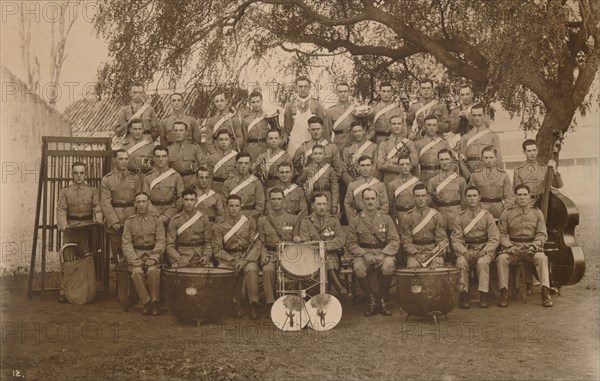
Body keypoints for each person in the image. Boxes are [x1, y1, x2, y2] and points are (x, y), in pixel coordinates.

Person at [496, 184, 553, 308]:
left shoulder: (537, 213)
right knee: (501, 259)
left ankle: (545, 292)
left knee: (542, 258)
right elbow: (502, 234)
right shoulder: (507, 213)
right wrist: (509, 246)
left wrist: (534, 245)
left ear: (529, 196)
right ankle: (504, 293)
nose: (522, 197)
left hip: (532, 248)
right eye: (519, 195)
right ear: (515, 197)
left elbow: (542, 234)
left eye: (525, 194)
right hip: (513, 248)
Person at [346, 188, 400, 316]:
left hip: (383, 253)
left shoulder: (386, 219)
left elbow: (394, 241)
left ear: (377, 201)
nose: (370, 202)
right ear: (362, 201)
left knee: (388, 265)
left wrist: (382, 254)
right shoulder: (355, 220)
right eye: (367, 199)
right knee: (358, 267)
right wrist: (364, 254)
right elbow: (350, 244)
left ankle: (382, 300)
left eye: (372, 199)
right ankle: (371, 301)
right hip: (363, 254)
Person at [57, 162, 102, 303]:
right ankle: (65, 291)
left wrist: (98, 219)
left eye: (81, 173)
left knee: (88, 258)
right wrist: (64, 225)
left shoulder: (92, 191)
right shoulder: (65, 191)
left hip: (87, 227)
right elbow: (61, 209)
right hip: (71, 227)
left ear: (85, 174)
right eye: (76, 173)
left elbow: (97, 207)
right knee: (68, 258)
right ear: (72, 174)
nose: (78, 176)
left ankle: (88, 291)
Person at [213, 194, 262, 319]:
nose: (234, 209)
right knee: (223, 270)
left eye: (236, 206)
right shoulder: (220, 225)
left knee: (252, 269)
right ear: (226, 207)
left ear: (241, 206)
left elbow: (256, 245)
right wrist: (232, 260)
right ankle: (233, 303)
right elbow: (217, 249)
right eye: (231, 206)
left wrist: (245, 261)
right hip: (228, 257)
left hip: (247, 256)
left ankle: (253, 304)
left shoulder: (249, 222)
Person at [451, 186, 500, 309]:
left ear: (479, 198)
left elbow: (494, 238)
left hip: (484, 249)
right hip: (467, 248)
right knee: (461, 262)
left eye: (474, 196)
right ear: (465, 199)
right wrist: (464, 251)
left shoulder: (487, 216)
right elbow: (456, 240)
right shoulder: (460, 217)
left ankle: (483, 295)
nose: (472, 198)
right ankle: (464, 294)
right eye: (469, 196)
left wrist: (485, 250)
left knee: (483, 263)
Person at [298, 192, 350, 299]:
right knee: (325, 262)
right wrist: (321, 249)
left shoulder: (333, 220)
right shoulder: (306, 222)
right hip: (312, 257)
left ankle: (327, 295)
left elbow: (340, 240)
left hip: (332, 255)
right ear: (312, 205)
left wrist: (324, 247)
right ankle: (340, 290)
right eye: (319, 204)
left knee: (326, 261)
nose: (322, 207)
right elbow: (306, 243)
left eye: (324, 204)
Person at [122, 192, 165, 316]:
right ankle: (146, 302)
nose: (141, 205)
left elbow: (161, 241)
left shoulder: (157, 220)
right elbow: (126, 243)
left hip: (152, 253)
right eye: (138, 202)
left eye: (144, 201)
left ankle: (155, 302)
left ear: (148, 203)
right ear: (135, 204)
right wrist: (133, 259)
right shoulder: (129, 222)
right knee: (136, 272)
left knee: (153, 271)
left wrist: (154, 257)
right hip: (136, 254)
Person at [257, 188, 299, 311]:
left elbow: (296, 240)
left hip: (288, 254)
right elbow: (261, 242)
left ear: (284, 200)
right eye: (273, 199)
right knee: (268, 270)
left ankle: (290, 301)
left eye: (279, 199)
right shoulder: (263, 220)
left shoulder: (293, 218)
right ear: (269, 201)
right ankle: (271, 304)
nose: (276, 202)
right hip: (270, 254)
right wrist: (263, 256)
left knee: (292, 271)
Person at [100, 150, 143, 263]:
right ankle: (117, 279)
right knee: (117, 254)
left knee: (133, 251)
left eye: (126, 159)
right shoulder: (107, 179)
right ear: (114, 160)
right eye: (120, 159)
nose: (124, 162)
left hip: (132, 218)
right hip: (115, 221)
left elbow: (139, 200)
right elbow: (105, 202)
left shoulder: (135, 178)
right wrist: (113, 221)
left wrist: (137, 219)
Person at [400, 184, 448, 268]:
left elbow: (441, 240)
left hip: (433, 252)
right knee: (412, 265)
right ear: (413, 197)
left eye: (423, 195)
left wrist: (434, 254)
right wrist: (416, 254)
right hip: (415, 253)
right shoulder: (407, 217)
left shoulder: (435, 215)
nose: (421, 199)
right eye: (417, 196)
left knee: (438, 265)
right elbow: (406, 241)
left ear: (427, 197)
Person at [166, 190, 213, 268]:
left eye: (192, 200)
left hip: (200, 256)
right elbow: (169, 245)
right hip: (183, 256)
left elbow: (208, 242)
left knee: (210, 269)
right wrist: (178, 258)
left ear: (196, 201)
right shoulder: (175, 220)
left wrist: (206, 256)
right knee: (175, 271)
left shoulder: (204, 218)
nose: (189, 203)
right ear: (182, 201)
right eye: (186, 199)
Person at [142, 145, 184, 230]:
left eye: (164, 156)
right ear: (153, 158)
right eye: (158, 156)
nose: (161, 159)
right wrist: (156, 216)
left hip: (171, 216)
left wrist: (167, 215)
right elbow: (144, 199)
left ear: (168, 158)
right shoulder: (148, 177)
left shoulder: (176, 176)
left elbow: (181, 198)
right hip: (152, 215)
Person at [284, 76, 327, 157]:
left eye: (305, 86)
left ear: (309, 87)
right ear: (296, 87)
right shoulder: (289, 105)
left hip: (312, 144)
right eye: (300, 86)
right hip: (294, 144)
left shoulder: (317, 104)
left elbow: (322, 127)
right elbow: (287, 128)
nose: (303, 89)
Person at [513, 139, 564, 205]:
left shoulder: (545, 168)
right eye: (529, 151)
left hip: (543, 204)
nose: (532, 153)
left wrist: (555, 171)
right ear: (524, 152)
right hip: (526, 205)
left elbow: (558, 185)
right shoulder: (518, 170)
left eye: (534, 150)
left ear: (537, 151)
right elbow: (516, 192)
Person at [458, 103, 502, 179]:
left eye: (479, 115)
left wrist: (494, 175)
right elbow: (461, 160)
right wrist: (468, 177)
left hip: (489, 175)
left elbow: (498, 159)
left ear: (484, 116)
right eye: (474, 115)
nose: (477, 118)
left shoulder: (493, 136)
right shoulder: (465, 138)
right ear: (471, 117)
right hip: (471, 174)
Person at [427, 148, 467, 231]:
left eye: (447, 159)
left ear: (452, 160)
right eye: (442, 159)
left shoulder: (460, 180)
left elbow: (464, 202)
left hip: (456, 215)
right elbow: (430, 204)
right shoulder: (432, 181)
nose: (444, 162)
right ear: (438, 161)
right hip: (440, 215)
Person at [469, 146, 514, 219]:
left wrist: (508, 213)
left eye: (491, 157)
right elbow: (471, 196)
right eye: (486, 158)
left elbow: (509, 197)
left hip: (499, 212)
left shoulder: (503, 176)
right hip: (480, 211)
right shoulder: (475, 175)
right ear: (482, 159)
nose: (489, 160)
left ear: (496, 158)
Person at [296, 145, 339, 216]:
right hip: (313, 197)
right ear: (312, 155)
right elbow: (299, 184)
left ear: (324, 155)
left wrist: (334, 204)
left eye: (320, 153)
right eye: (315, 154)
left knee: (327, 219)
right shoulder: (307, 169)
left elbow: (335, 188)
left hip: (327, 197)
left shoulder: (329, 169)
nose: (318, 156)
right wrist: (306, 194)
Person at [221, 152, 265, 221]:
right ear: (235, 164)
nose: (243, 166)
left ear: (250, 165)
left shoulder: (256, 182)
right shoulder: (228, 183)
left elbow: (260, 205)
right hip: (232, 220)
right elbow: (224, 205)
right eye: (240, 163)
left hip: (251, 219)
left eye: (246, 163)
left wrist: (250, 218)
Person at [344, 156, 389, 222]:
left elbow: (385, 205)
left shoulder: (380, 185)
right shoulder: (353, 185)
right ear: (358, 167)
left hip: (377, 219)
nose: (365, 168)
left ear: (372, 167)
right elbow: (348, 205)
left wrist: (378, 219)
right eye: (362, 165)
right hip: (359, 220)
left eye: (368, 165)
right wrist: (353, 221)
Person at [376, 115, 419, 184]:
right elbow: (381, 164)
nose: (396, 126)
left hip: (406, 179)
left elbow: (414, 162)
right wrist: (403, 168)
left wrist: (392, 160)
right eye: (394, 124)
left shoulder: (410, 143)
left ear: (403, 125)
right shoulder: (384, 144)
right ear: (390, 126)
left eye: (399, 123)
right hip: (389, 179)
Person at [168, 121, 207, 190]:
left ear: (186, 132)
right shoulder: (168, 149)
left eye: (181, 130)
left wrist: (193, 182)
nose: (178, 133)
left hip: (192, 182)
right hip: (173, 184)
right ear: (173, 132)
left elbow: (203, 166)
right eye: (176, 130)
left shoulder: (194, 147)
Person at [414, 115, 452, 183]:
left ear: (437, 127)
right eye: (429, 125)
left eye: (434, 125)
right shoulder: (417, 143)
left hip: (441, 177)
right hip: (423, 177)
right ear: (424, 127)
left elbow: (454, 161)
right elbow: (414, 163)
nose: (431, 127)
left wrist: (446, 174)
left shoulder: (444, 143)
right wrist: (417, 178)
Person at [388, 157, 423, 229]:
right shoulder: (392, 184)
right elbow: (391, 205)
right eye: (402, 164)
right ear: (398, 166)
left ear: (411, 166)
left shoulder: (417, 183)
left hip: (415, 215)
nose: (405, 167)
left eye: (407, 164)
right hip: (400, 215)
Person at [326, 82, 359, 155]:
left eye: (345, 91)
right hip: (339, 144)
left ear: (349, 92)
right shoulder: (330, 111)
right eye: (340, 92)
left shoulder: (356, 109)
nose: (343, 94)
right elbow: (327, 133)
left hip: (354, 142)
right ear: (337, 93)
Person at [342, 121, 378, 186]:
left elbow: (376, 167)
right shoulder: (347, 149)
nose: (358, 134)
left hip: (370, 183)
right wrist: (352, 183)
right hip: (354, 183)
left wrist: (369, 181)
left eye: (360, 131)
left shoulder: (373, 147)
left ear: (364, 131)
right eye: (355, 131)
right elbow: (344, 170)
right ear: (351, 133)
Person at [207, 129, 238, 195]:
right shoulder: (211, 158)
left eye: (226, 139)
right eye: (221, 139)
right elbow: (209, 177)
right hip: (216, 189)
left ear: (230, 141)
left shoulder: (236, 157)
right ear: (217, 141)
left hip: (231, 188)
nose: (223, 142)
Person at [241, 90, 271, 160]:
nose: (256, 104)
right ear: (250, 103)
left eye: (258, 101)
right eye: (253, 102)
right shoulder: (246, 119)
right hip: (252, 150)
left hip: (266, 148)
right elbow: (244, 138)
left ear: (262, 101)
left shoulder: (268, 116)